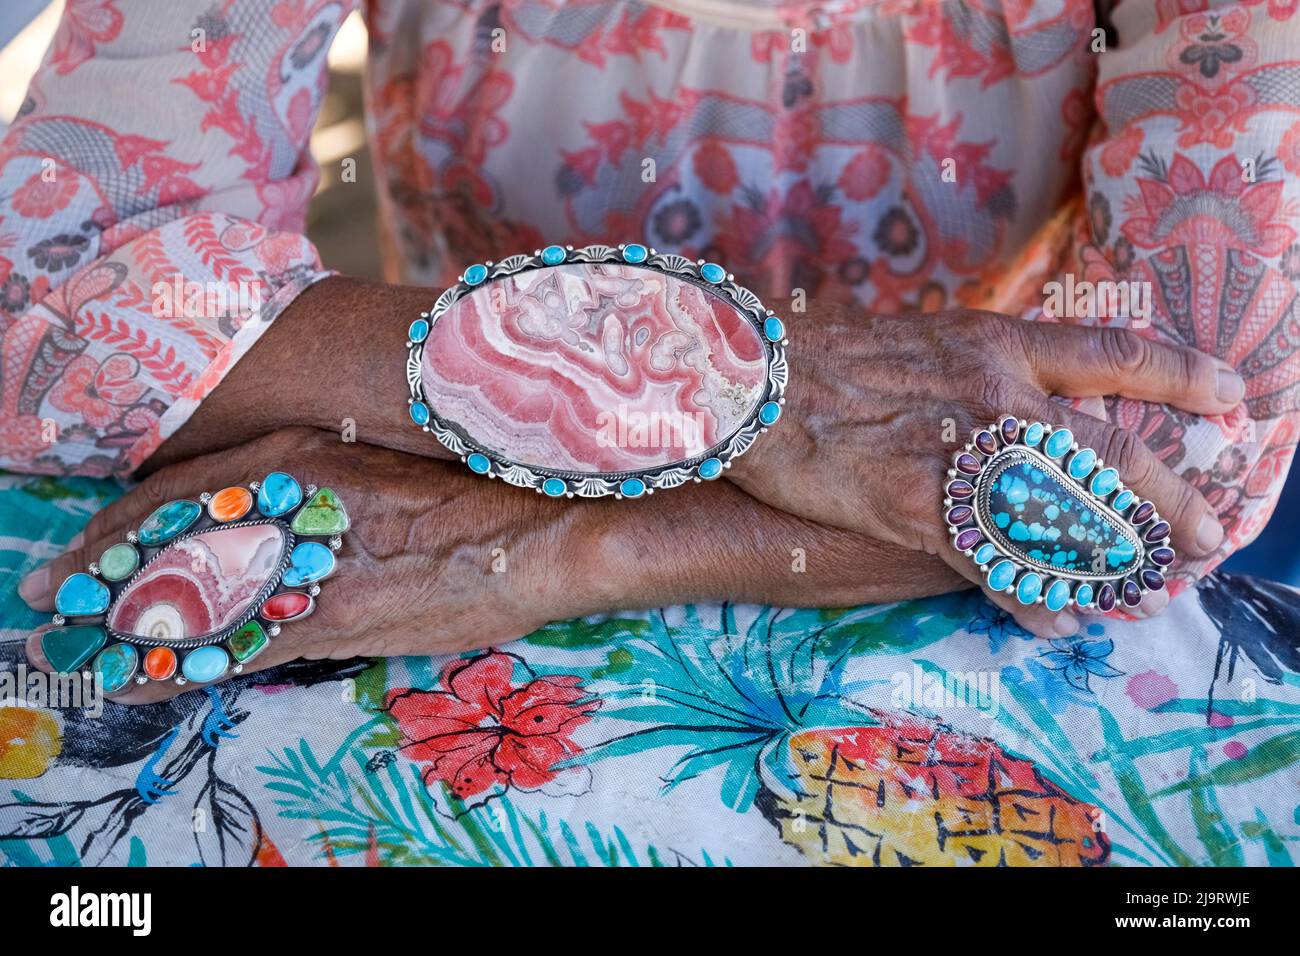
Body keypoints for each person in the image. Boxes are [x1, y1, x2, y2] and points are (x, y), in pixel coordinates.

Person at [0, 0, 1297, 867]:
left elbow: (1182, 444)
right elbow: (50, 293)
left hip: (824, 532)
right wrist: (764, 392)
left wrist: (545, 544)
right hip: (902, 494)